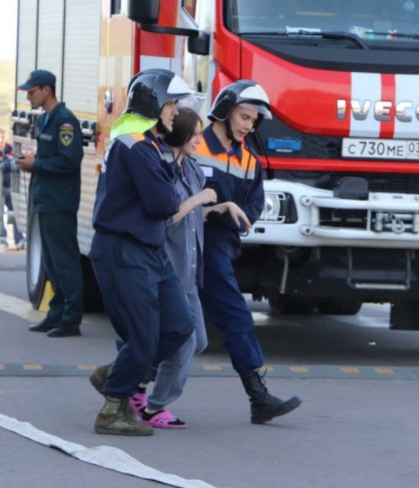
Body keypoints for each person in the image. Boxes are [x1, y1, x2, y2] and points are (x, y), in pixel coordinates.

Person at [87, 69, 196, 436]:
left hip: (148, 250)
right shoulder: (136, 145)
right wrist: (173, 187)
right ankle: (113, 410)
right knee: (144, 337)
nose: (175, 113)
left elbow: (167, 197)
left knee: (180, 325)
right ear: (153, 105)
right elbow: (164, 202)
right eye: (171, 104)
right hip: (124, 250)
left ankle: (117, 374)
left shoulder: (150, 146)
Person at [193, 81, 302, 424]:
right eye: (243, 117)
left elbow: (253, 205)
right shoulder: (192, 145)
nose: (248, 126)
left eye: (253, 121)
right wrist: (219, 211)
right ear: (224, 111)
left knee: (188, 324)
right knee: (219, 319)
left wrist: (234, 216)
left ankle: (119, 382)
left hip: (219, 247)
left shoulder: (249, 160)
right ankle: (258, 397)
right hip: (187, 242)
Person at [129, 107, 217, 429]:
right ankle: (153, 406)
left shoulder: (192, 169)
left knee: (200, 341)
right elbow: (167, 215)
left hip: (190, 271)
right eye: (194, 134)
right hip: (169, 269)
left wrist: (224, 207)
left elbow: (197, 215)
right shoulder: (162, 167)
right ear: (179, 135)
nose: (199, 139)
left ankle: (131, 376)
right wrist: (199, 199)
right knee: (185, 341)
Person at [16, 70, 84, 338]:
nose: (29, 96)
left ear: (46, 90)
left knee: (65, 261)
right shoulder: (45, 119)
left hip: (60, 202)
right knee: (53, 263)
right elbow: (51, 156)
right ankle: (56, 312)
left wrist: (37, 164)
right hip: (45, 200)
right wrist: (33, 160)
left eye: (32, 91)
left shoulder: (65, 121)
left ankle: (71, 318)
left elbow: (69, 161)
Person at [0, 127, 25, 251]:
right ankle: (2, 239)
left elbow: (18, 161)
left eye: (2, 137)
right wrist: (9, 161)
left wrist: (10, 161)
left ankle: (19, 239)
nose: (1, 140)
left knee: (14, 213)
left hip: (10, 185)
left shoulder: (11, 149)